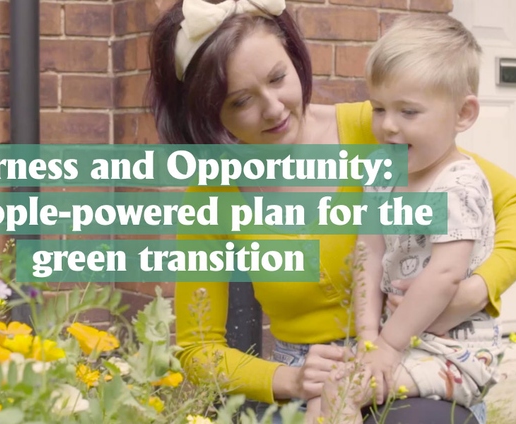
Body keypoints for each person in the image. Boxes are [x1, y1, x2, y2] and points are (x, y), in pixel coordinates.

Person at [145, 0, 516, 423]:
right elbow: (197, 351)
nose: (274, 108)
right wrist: (291, 379)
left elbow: (505, 201)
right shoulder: (212, 196)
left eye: (278, 78)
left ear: (295, 59)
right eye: (241, 101)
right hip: (312, 385)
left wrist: (478, 288)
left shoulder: (377, 129)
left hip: (421, 358)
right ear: (209, 113)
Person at [316, 14, 503, 424]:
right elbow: (368, 250)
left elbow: (444, 276)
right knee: (324, 397)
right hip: (395, 340)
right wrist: (369, 338)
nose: (387, 126)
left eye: (408, 111)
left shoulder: (459, 183)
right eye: (379, 108)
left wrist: (386, 345)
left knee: (345, 392)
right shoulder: (384, 169)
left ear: (463, 114)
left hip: (452, 351)